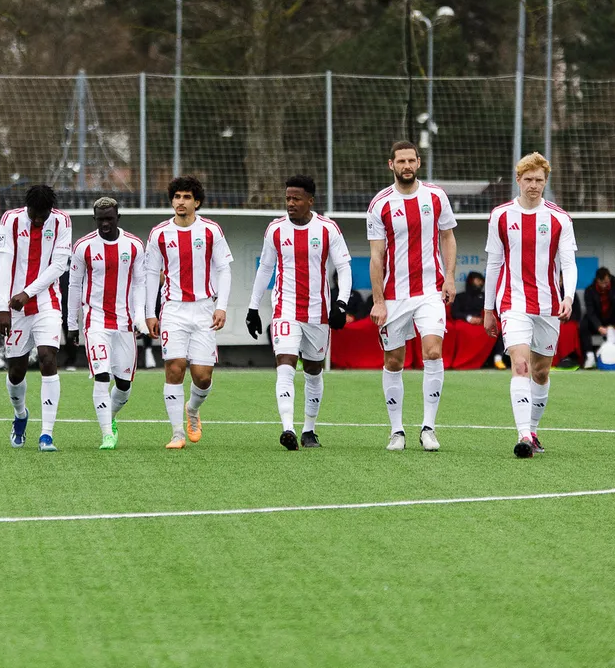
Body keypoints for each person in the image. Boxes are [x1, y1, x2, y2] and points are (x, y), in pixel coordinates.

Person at [247, 174, 352, 450]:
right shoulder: (275, 230)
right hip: (286, 310)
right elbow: (266, 269)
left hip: (318, 313)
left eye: (296, 198)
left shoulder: (328, 229)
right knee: (285, 363)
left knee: (314, 369)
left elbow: (343, 267)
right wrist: (253, 307)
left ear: (310, 201)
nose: (290, 203)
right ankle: (288, 429)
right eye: (287, 198)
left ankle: (309, 429)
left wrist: (341, 303)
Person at [483, 152, 578, 459]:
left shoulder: (559, 218)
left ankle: (533, 430)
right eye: (528, 180)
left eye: (539, 180)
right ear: (518, 180)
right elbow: (494, 264)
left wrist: (568, 296)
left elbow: (569, 263)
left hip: (549, 304)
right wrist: (488, 309)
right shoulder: (501, 216)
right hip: (513, 303)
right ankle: (523, 435)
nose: (534, 185)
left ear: (545, 181)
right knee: (520, 366)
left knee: (540, 372)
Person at [366, 142, 458, 452]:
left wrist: (450, 277)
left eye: (411, 160)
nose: (407, 165)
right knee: (393, 361)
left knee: (433, 351)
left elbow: (448, 237)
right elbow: (376, 256)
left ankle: (429, 428)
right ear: (390, 164)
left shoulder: (435, 196)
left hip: (430, 292)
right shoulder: (380, 204)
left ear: (418, 163)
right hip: (393, 297)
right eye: (401, 160)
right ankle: (397, 431)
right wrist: (378, 300)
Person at [144, 175, 232, 449]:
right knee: (174, 368)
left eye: (186, 197)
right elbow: (149, 274)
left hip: (204, 307)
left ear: (197, 202)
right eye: (176, 197)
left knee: (203, 377)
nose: (180, 202)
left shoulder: (211, 231)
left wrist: (221, 306)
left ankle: (192, 409)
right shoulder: (159, 233)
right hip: (173, 310)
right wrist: (150, 312)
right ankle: (177, 433)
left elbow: (224, 269)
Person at [0, 185, 72, 451]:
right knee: (16, 370)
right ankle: (20, 416)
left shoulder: (62, 221)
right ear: (25, 208)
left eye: (44, 215)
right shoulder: (10, 219)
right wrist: (3, 306)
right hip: (14, 308)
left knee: (48, 358)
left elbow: (59, 265)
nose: (39, 220)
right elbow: (4, 263)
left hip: (46, 302)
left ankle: (47, 434)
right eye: (34, 215)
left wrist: (28, 292)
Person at [67, 197, 146, 450]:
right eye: (100, 219)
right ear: (94, 220)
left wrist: (140, 318)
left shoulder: (134, 245)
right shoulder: (83, 247)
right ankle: (106, 435)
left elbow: (140, 284)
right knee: (102, 376)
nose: (105, 224)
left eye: (109, 218)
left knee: (124, 385)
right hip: (95, 322)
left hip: (124, 323)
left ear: (117, 218)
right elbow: (74, 286)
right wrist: (71, 323)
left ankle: (110, 418)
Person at [579, 267, 615, 368]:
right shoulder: (589, 291)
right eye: (602, 282)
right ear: (597, 280)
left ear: (609, 279)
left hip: (613, 322)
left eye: (606, 282)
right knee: (584, 324)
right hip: (597, 322)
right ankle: (590, 355)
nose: (604, 285)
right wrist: (599, 327)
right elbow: (590, 312)